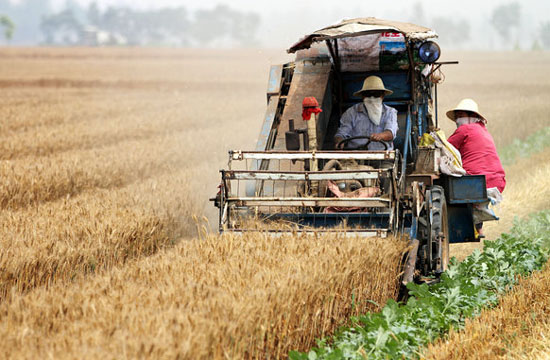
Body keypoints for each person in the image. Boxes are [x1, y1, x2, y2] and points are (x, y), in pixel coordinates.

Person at [446, 98, 506, 237]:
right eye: (457, 116)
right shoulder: (483, 131)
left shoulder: (465, 129)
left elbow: (446, 148)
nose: (458, 120)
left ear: (471, 116)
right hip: (497, 180)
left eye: (461, 116)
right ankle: (479, 228)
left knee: (448, 183)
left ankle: (463, 226)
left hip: (476, 180)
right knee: (476, 199)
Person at [334, 76, 398, 150]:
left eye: (376, 94)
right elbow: (342, 133)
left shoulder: (390, 112)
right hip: (355, 156)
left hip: (382, 156)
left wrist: (380, 136)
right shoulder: (351, 112)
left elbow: (390, 133)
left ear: (382, 96)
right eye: (368, 94)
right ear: (362, 96)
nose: (372, 98)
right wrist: (339, 142)